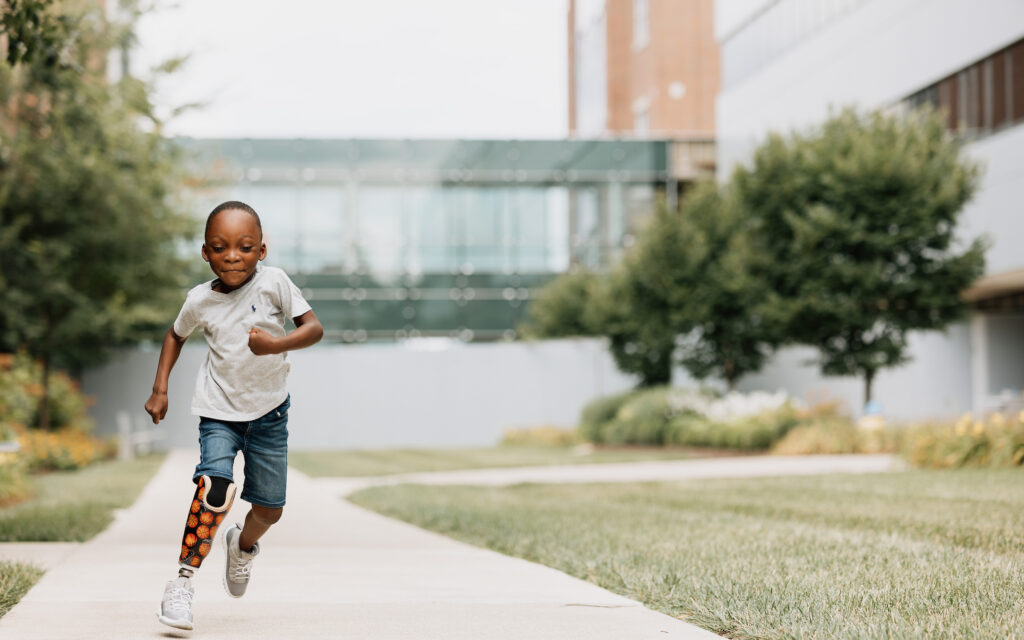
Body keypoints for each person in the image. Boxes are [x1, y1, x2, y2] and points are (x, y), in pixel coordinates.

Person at [144, 201, 323, 630]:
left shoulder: (274, 283)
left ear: (261, 251)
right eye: (220, 247)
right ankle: (182, 583)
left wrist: (276, 345)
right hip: (218, 412)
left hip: (269, 414)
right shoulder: (199, 300)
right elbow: (174, 334)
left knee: (269, 510)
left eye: (244, 247)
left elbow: (313, 328)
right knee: (215, 488)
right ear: (206, 252)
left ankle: (241, 547)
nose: (232, 256)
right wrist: (159, 388)